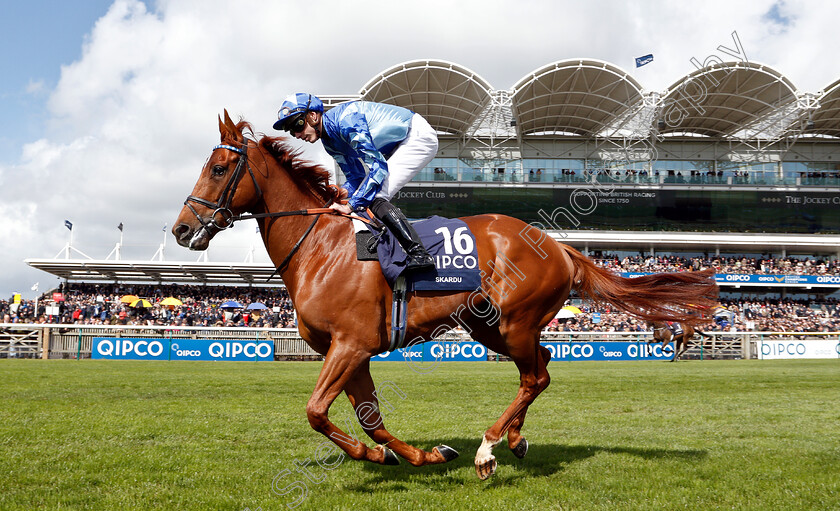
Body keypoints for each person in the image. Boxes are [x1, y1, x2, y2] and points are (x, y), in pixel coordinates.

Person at [273, 93, 436, 272]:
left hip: (416, 136)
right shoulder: (329, 144)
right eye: (291, 131)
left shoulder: (346, 121)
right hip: (398, 145)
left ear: (313, 116)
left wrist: (350, 205)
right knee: (366, 195)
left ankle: (419, 254)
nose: (297, 134)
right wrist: (334, 196)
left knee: (376, 196)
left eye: (297, 125)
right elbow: (356, 178)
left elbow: (378, 168)